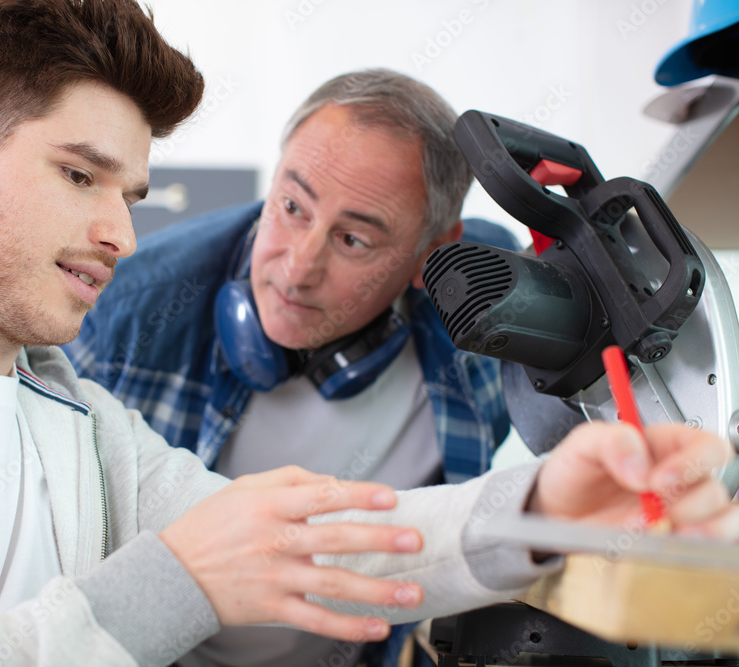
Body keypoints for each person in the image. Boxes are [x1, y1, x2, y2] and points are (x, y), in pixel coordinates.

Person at [0, 2, 736, 667]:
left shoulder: (77, 419)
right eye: (80, 177)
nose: (121, 232)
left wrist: (546, 501)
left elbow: (315, 542)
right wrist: (168, 583)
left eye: (128, 193)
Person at [62, 69, 518, 664]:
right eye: (292, 207)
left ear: (429, 257)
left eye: (353, 240)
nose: (298, 267)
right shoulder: (125, 315)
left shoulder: (484, 333)